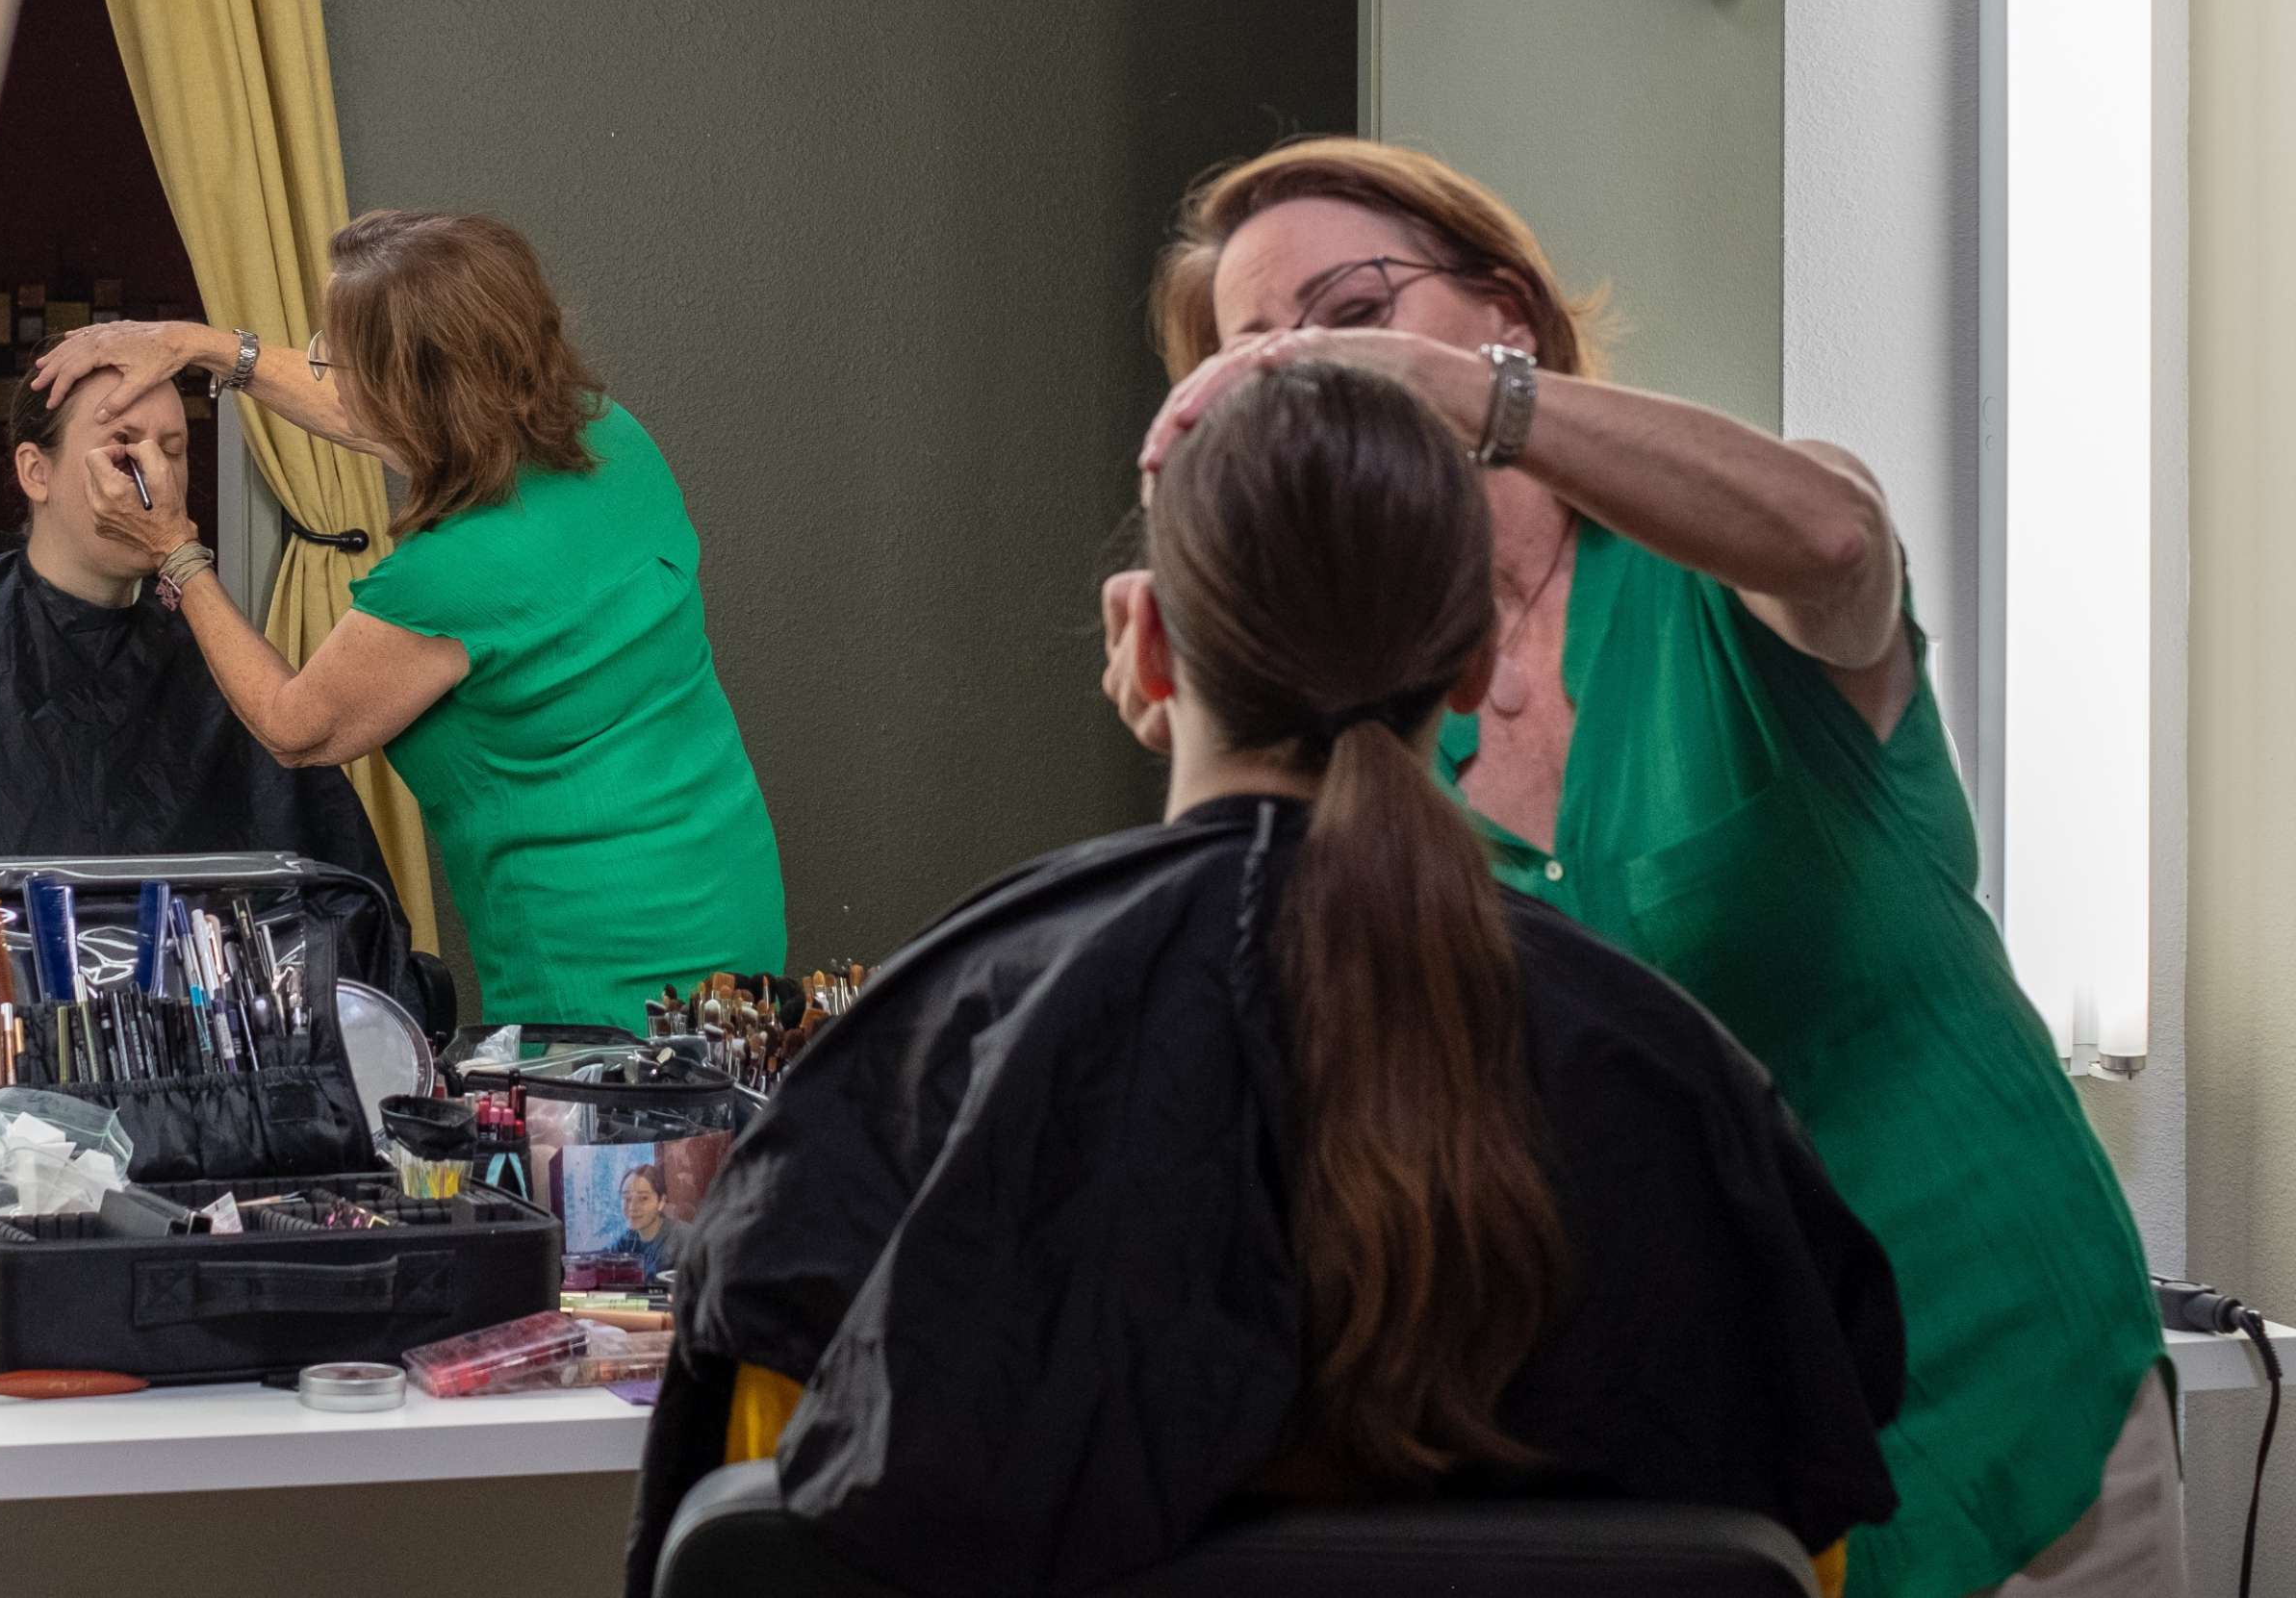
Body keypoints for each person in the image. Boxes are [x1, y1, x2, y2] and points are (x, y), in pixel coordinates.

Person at [628, 359, 1905, 1598]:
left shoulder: (933, 1045)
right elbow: (1797, 1541)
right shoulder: (1668, 1079)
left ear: (1148, 642)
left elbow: (780, 1529)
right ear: (1468, 665)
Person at [1106, 138, 2171, 1598]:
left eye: (1352, 307)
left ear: (1507, 313)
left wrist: (1465, 400)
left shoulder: (1715, 580)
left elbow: (1837, 534)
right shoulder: (1364, 736)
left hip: (2014, 1408)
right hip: (1706, 1498)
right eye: (1262, 349)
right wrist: (1200, 721)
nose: (1315, 360)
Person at [25, 210, 788, 1028]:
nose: (330, 378)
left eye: (338, 360)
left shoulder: (453, 577)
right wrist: (204, 347)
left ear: (410, 392)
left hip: (607, 976)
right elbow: (377, 411)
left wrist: (174, 547)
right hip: (731, 908)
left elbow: (296, 727)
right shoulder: (608, 434)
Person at [0, 365, 397, 897]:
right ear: (36, 473)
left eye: (173, 449)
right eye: (124, 444)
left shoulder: (212, 652)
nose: (155, 474)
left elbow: (334, 894)